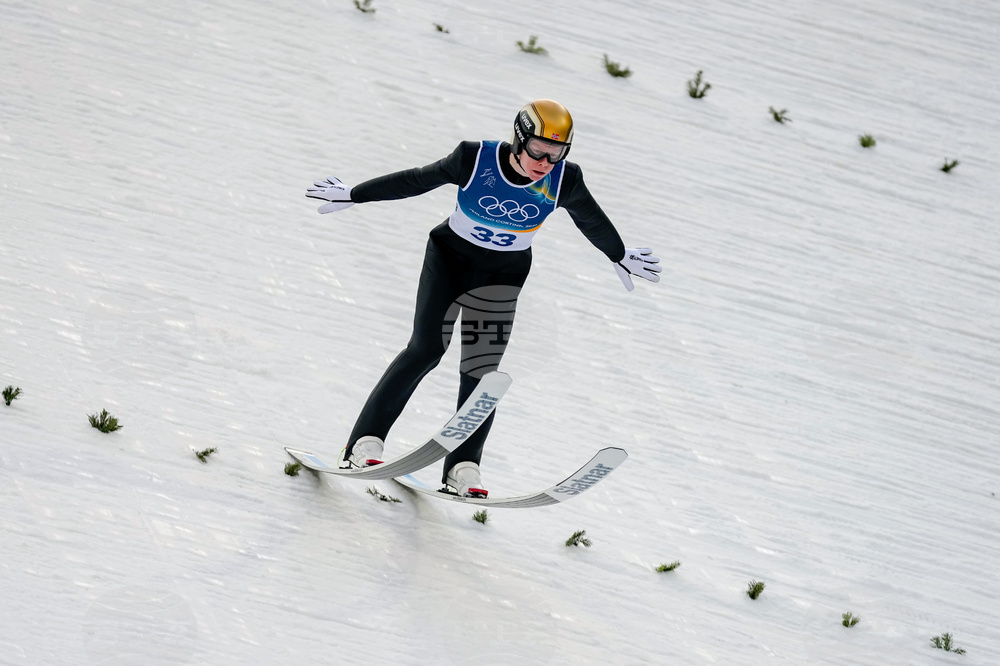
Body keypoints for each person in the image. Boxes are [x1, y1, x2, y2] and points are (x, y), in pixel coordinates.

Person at [306, 99, 660, 498]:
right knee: (425, 349)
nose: (546, 162)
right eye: (539, 151)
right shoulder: (474, 158)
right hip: (450, 259)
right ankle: (364, 443)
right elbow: (418, 179)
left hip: (503, 274)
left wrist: (618, 253)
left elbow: (590, 218)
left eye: (556, 153)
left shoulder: (565, 180)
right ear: (519, 140)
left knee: (482, 370)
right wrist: (356, 194)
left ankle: (462, 467)